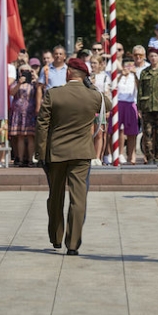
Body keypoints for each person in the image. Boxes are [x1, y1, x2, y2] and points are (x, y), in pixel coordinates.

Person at [36, 57, 110, 255]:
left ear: (68, 73)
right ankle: (73, 244)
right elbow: (108, 105)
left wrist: (41, 153)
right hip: (81, 153)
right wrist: (92, 87)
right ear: (85, 76)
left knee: (55, 197)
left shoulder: (54, 94)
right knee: (79, 199)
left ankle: (56, 237)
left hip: (56, 153)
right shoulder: (93, 96)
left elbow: (42, 125)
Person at [8, 63, 37, 167]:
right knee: (20, 136)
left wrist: (35, 76)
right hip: (18, 112)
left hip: (30, 112)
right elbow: (11, 93)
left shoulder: (34, 83)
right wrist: (19, 83)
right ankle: (19, 158)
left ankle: (30, 159)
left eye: (27, 71)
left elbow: (41, 89)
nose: (24, 73)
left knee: (30, 136)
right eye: (22, 71)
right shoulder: (16, 83)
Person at [115, 58, 141, 164]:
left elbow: (139, 87)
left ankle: (132, 156)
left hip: (131, 103)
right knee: (116, 130)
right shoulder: (117, 76)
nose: (128, 67)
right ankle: (117, 154)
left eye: (130, 65)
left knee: (132, 132)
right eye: (126, 65)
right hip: (119, 103)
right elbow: (113, 86)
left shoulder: (134, 77)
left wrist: (134, 74)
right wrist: (121, 74)